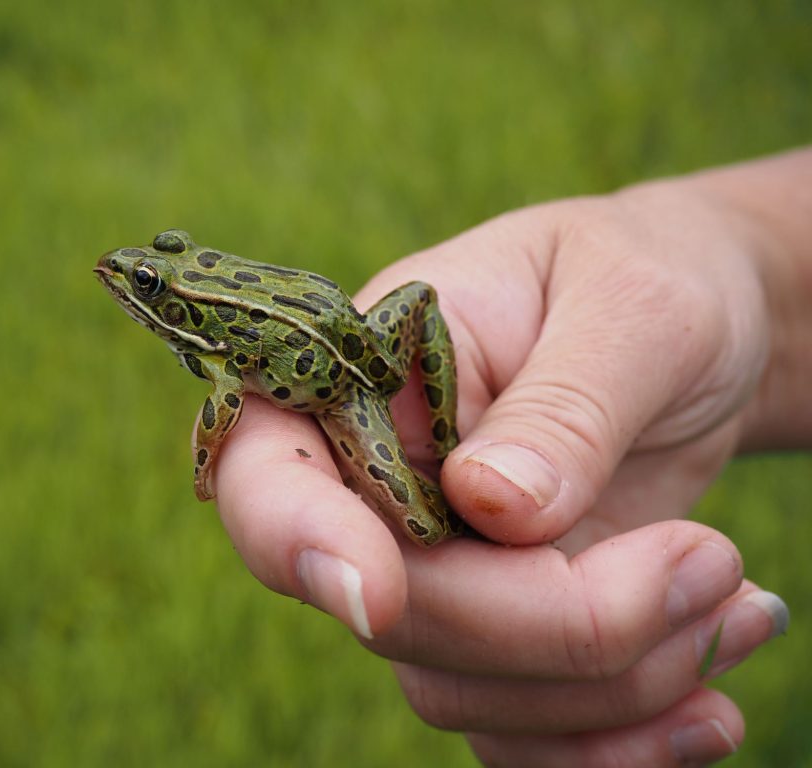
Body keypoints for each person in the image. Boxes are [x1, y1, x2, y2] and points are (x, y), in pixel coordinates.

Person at [208, 148, 810, 766]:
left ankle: (453, 481)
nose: (130, 277)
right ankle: (448, 460)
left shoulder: (224, 362)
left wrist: (207, 465)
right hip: (355, 342)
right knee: (415, 305)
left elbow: (227, 400)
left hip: (349, 387)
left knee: (421, 524)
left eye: (151, 283)